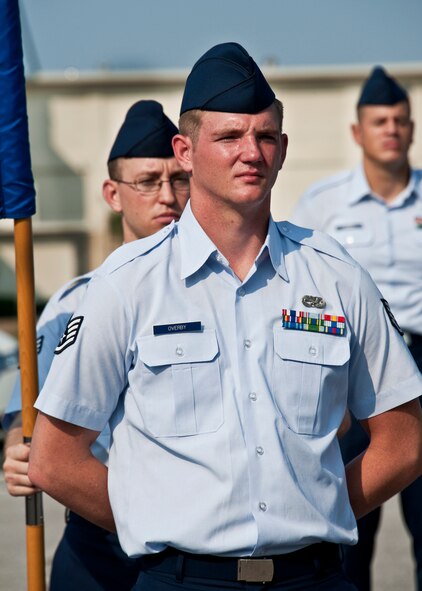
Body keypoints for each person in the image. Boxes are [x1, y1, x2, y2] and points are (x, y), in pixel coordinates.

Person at [28, 42, 422, 591]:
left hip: (314, 578)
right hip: (180, 580)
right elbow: (55, 459)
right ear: (185, 151)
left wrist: (317, 511)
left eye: (265, 137)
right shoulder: (127, 284)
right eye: (229, 137)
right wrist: (159, 522)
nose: (251, 153)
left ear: (283, 149)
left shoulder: (335, 275)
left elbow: (404, 441)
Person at [2, 99, 189, 590]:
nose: (166, 195)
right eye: (147, 181)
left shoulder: (220, 292)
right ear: (113, 193)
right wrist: (17, 445)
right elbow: (30, 406)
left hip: (192, 546)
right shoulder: (74, 299)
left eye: (179, 179)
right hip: (97, 544)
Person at [290, 66, 422, 591]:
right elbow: (295, 283)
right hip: (352, 375)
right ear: (357, 133)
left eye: (400, 120)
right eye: (379, 120)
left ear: (411, 129)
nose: (390, 128)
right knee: (345, 532)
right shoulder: (323, 204)